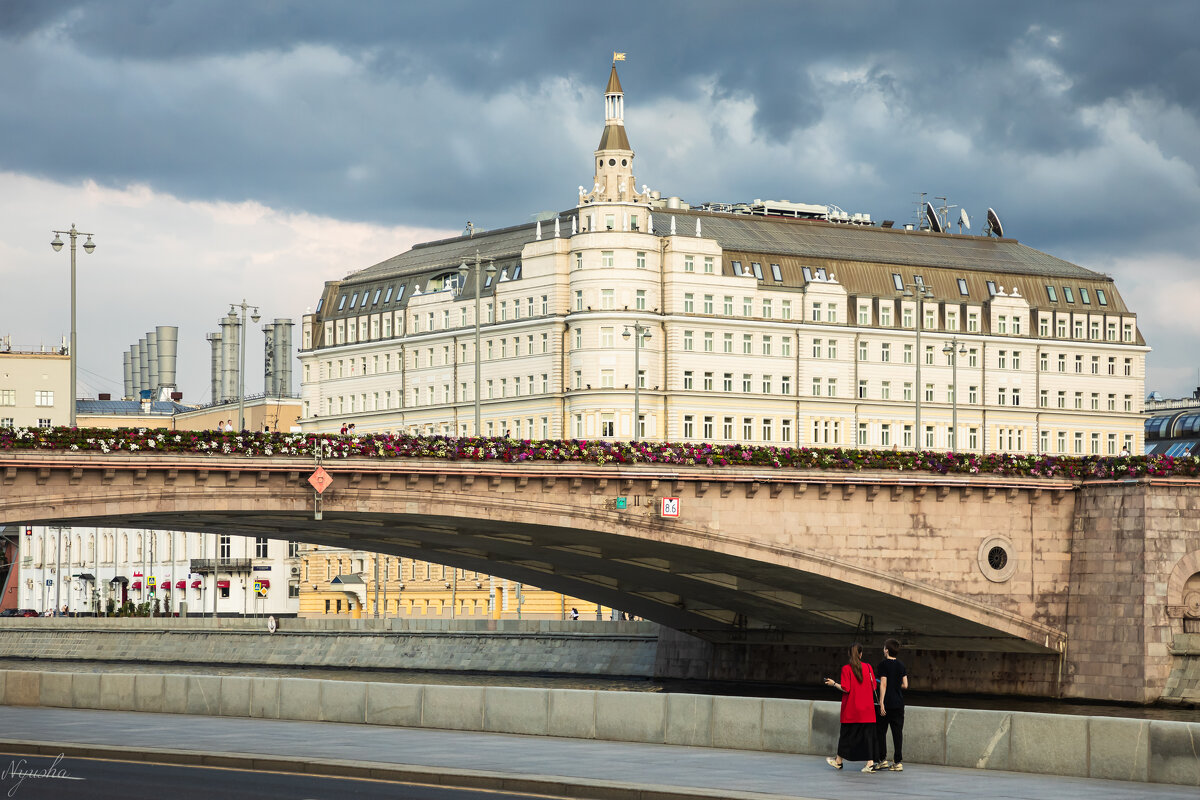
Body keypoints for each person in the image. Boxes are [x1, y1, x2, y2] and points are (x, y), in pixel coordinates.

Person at [824, 642, 878, 772]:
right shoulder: (869, 667)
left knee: (846, 736)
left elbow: (846, 688)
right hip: (867, 710)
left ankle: (839, 761)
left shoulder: (846, 669)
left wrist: (834, 683)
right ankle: (870, 763)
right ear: (861, 654)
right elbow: (874, 687)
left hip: (852, 710)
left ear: (849, 654)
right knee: (867, 737)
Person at [875, 638, 908, 772]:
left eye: (884, 648)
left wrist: (881, 702)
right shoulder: (901, 665)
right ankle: (898, 762)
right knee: (897, 733)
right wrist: (896, 685)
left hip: (887, 703)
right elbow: (905, 685)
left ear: (887, 650)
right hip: (899, 704)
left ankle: (882, 760)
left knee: (881, 732)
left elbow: (883, 683)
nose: (883, 650)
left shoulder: (883, 665)